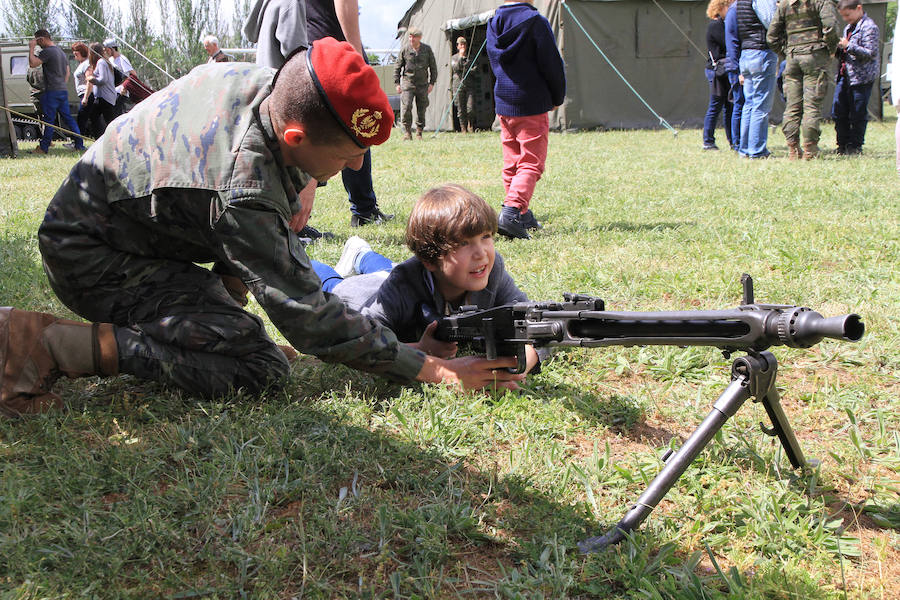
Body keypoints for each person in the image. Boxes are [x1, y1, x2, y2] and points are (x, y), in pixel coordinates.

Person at [0, 38, 523, 417]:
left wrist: (306, 175)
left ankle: (192, 326)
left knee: (231, 328)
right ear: (295, 136)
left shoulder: (263, 88)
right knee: (259, 369)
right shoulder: (245, 187)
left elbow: (217, 209)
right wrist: (432, 369)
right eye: (348, 156)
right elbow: (309, 315)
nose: (356, 168)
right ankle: (52, 346)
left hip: (128, 235)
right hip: (89, 259)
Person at [310, 185, 541, 371]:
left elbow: (531, 319)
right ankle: (307, 261)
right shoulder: (400, 287)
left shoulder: (490, 268)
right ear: (429, 259)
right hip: (365, 293)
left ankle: (361, 255)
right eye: (463, 243)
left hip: (396, 274)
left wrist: (526, 359)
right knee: (335, 285)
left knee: (387, 270)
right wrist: (420, 348)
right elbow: (364, 345)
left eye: (486, 236)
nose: (482, 253)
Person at [306, 0, 394, 227]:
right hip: (332, 53)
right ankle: (363, 209)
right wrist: (357, 58)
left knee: (310, 136)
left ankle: (362, 209)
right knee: (360, 128)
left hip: (309, 49)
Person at [486, 0, 566, 240]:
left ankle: (522, 212)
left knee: (512, 162)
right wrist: (557, 96)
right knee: (531, 162)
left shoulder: (493, 22)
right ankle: (511, 211)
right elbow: (552, 64)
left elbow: (494, 62)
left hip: (504, 102)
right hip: (531, 103)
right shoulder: (536, 22)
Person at [767, 0, 840, 160]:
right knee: (812, 106)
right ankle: (810, 149)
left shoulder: (785, 4)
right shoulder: (821, 2)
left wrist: (786, 51)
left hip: (793, 59)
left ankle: (793, 148)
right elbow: (831, 26)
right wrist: (831, 49)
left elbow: (771, 36)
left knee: (792, 107)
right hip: (816, 57)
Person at [831, 0, 879, 155]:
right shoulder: (848, 28)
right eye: (843, 16)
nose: (845, 18)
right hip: (845, 76)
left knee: (857, 113)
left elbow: (870, 54)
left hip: (861, 78)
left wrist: (848, 46)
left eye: (847, 15)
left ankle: (855, 146)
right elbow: (847, 52)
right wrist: (837, 51)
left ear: (859, 8)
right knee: (839, 112)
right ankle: (842, 144)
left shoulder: (869, 27)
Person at [27, 29, 85, 154]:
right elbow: (67, 72)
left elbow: (33, 63)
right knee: (68, 118)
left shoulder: (47, 52)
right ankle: (79, 144)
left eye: (37, 42)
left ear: (41, 39)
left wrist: (31, 48)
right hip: (62, 91)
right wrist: (61, 84)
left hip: (52, 91)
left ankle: (43, 147)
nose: (37, 45)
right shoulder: (60, 52)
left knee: (48, 120)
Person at [735, 0, 777, 158]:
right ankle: (757, 150)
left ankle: (745, 149)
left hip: (746, 53)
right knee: (760, 106)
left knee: (749, 105)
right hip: (761, 52)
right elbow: (771, 22)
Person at [394, 27, 437, 140]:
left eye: (414, 37)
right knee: (407, 106)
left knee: (421, 108)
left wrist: (432, 83)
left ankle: (419, 132)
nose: (411, 39)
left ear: (419, 38)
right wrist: (397, 83)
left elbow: (433, 67)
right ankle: (407, 132)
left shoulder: (427, 50)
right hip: (408, 83)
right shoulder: (405, 50)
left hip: (422, 84)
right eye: (410, 36)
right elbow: (397, 67)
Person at [703, 0, 735, 150]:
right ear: (720, 7)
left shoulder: (723, 24)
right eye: (729, 6)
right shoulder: (715, 25)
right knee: (716, 105)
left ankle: (732, 140)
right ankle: (708, 141)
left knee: (730, 106)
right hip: (717, 71)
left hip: (725, 70)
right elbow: (727, 43)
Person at [85, 41, 119, 135]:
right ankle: (103, 137)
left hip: (104, 97)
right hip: (103, 97)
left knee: (107, 120)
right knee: (96, 117)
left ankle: (108, 137)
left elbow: (103, 80)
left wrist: (91, 79)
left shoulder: (101, 62)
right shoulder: (105, 62)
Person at [724, 1, 745, 150]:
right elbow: (732, 44)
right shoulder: (734, 11)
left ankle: (742, 141)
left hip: (741, 63)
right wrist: (738, 71)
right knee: (739, 104)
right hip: (736, 66)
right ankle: (737, 143)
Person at [71, 42, 100, 140]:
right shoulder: (81, 64)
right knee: (93, 119)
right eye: (74, 53)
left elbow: (89, 81)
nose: (75, 55)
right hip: (83, 94)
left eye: (76, 53)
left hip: (86, 94)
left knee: (81, 119)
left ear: (82, 52)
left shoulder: (87, 64)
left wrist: (85, 97)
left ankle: (78, 142)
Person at [103, 38, 136, 115]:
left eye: (107, 50)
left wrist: (125, 87)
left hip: (121, 91)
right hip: (112, 91)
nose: (106, 52)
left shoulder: (122, 59)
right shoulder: (110, 60)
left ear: (112, 49)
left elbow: (133, 74)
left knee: (116, 113)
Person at [451, 36, 476, 133]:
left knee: (470, 108)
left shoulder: (471, 57)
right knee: (460, 108)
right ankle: (463, 128)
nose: (462, 46)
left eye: (464, 44)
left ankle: (471, 124)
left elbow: (474, 70)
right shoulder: (454, 58)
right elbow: (456, 68)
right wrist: (461, 58)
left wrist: (466, 68)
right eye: (460, 44)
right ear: (457, 46)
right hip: (458, 85)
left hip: (469, 84)